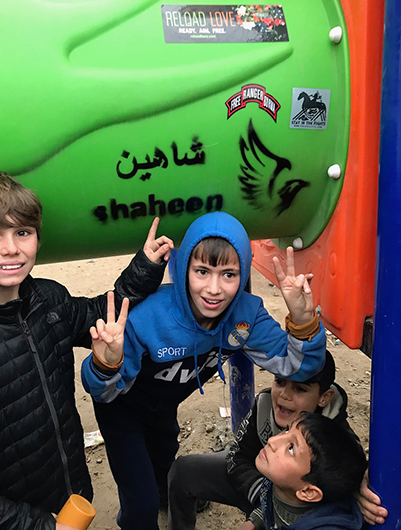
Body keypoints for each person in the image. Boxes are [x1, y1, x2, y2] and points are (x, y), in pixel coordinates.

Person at [0, 172, 173, 530]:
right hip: (15, 516)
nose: (11, 248)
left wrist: (146, 266)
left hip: (69, 486)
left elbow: (102, 313)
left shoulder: (49, 299)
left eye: (22, 232)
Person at [81, 211, 327, 530]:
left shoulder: (245, 316)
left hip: (164, 408)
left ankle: (166, 498)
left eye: (229, 274)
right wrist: (105, 362)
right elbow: (101, 390)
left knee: (165, 462)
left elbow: (300, 366)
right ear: (184, 270)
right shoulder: (148, 317)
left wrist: (304, 322)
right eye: (202, 271)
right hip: (121, 410)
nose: (213, 289)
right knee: (140, 503)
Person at [167, 350, 387, 529]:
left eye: (300, 388)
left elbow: (350, 490)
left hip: (298, 508)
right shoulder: (264, 405)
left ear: (324, 397)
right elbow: (238, 457)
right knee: (184, 471)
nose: (284, 395)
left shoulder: (340, 445)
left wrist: (359, 489)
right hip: (262, 487)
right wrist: (263, 505)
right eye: (280, 381)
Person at [243, 411, 367, 530]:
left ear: (308, 492)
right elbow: (269, 502)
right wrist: (255, 520)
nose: (272, 441)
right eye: (286, 430)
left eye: (291, 448)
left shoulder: (324, 526)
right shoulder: (282, 482)